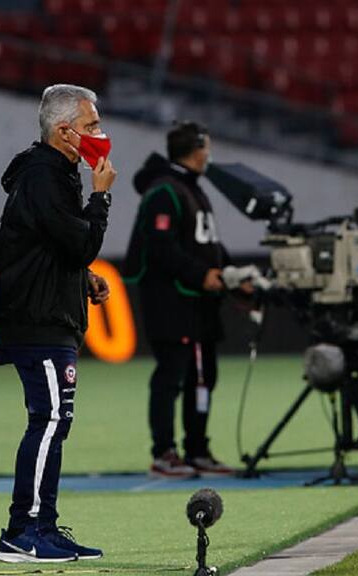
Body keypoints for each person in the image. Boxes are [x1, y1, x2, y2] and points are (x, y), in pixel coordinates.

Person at [0, 84, 117, 563]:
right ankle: (23, 531)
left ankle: (39, 525)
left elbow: (49, 245)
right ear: (64, 132)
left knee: (52, 421)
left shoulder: (51, 172)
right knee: (48, 420)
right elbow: (80, 240)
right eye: (90, 126)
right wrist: (101, 199)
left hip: (45, 313)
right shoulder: (46, 175)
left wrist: (81, 277)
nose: (98, 134)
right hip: (37, 320)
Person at [125, 121, 246, 478]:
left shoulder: (190, 189)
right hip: (171, 302)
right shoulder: (165, 191)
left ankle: (197, 449)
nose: (209, 154)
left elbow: (207, 244)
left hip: (197, 303)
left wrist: (235, 276)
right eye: (207, 147)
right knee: (172, 376)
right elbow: (161, 248)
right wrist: (202, 275)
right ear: (196, 150)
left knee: (202, 376)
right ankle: (164, 453)